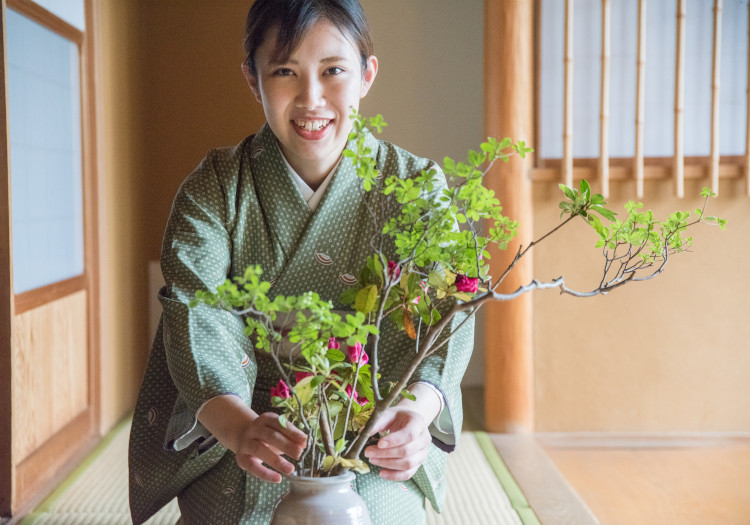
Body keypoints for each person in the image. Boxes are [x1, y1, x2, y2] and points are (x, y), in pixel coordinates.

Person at [128, 1, 474, 523]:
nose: (311, 99)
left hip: (368, 430)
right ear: (253, 78)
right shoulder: (215, 188)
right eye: (285, 71)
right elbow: (196, 311)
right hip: (248, 426)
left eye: (333, 70)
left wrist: (416, 413)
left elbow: (448, 315)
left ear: (366, 74)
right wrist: (240, 427)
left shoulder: (417, 189)